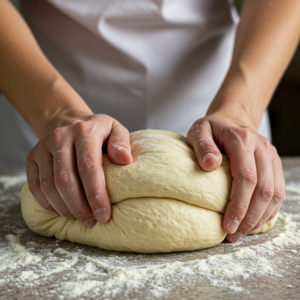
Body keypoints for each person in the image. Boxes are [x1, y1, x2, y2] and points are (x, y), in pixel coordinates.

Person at [0, 0, 299, 243]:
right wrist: (56, 114)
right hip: (41, 86)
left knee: (240, 195)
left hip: (220, 88)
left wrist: (240, 110)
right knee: (57, 192)